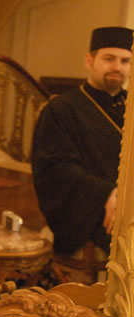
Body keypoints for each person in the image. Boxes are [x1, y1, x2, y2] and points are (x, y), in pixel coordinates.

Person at [31, 26, 132, 258]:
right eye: (109, 59)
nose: (117, 67)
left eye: (125, 61)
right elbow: (56, 170)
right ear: (89, 61)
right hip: (92, 215)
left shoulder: (131, 106)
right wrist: (106, 193)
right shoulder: (61, 109)